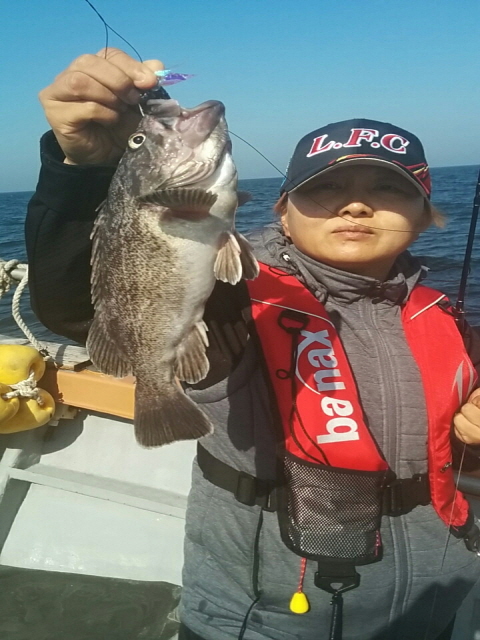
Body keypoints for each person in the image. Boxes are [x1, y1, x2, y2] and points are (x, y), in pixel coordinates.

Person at [25, 48, 480, 640]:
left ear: (424, 215)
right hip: (260, 620)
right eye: (326, 186)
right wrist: (83, 172)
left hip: (431, 610)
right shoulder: (237, 292)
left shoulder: (448, 319)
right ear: (281, 212)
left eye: (388, 188)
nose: (355, 204)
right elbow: (77, 308)